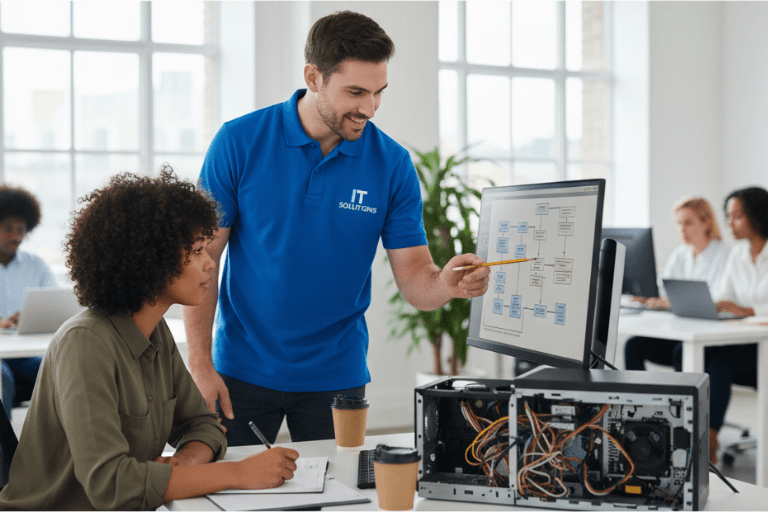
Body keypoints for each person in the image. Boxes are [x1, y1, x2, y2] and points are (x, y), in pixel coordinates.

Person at [185, 10, 490, 447]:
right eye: (356, 92)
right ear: (314, 77)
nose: (369, 108)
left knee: (340, 485)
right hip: (239, 371)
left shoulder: (393, 166)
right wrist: (199, 364)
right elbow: (201, 260)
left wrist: (446, 284)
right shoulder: (238, 142)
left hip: (337, 377)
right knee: (228, 484)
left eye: (379, 92)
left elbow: (416, 281)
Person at [0, 169, 298, 510]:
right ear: (151, 259)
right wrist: (237, 474)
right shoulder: (84, 343)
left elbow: (203, 425)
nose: (210, 265)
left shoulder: (155, 332)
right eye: (197, 251)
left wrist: (186, 462)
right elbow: (111, 485)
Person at [624, 196, 729, 372]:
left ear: (707, 223)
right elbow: (663, 288)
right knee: (633, 346)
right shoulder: (680, 255)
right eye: (678, 224)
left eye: (688, 223)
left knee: (682, 352)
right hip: (682, 330)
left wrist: (672, 302)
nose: (682, 229)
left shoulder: (725, 255)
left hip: (708, 335)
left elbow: (718, 299)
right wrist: (647, 296)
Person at [706, 186, 768, 464]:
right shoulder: (738, 254)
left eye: (737, 216)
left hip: (764, 348)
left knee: (721, 364)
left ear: (757, 215)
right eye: (728, 216)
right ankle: (691, 434)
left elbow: (741, 307)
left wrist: (748, 310)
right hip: (746, 342)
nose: (729, 223)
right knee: (693, 355)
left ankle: (708, 444)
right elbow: (724, 295)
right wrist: (712, 304)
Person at [0, 185, 56, 420]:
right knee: (2, 379)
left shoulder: (36, 266)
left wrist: (31, 317)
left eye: (21, 229)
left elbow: (55, 308)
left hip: (24, 354)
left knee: (60, 370)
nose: (16, 236)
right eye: (8, 229)